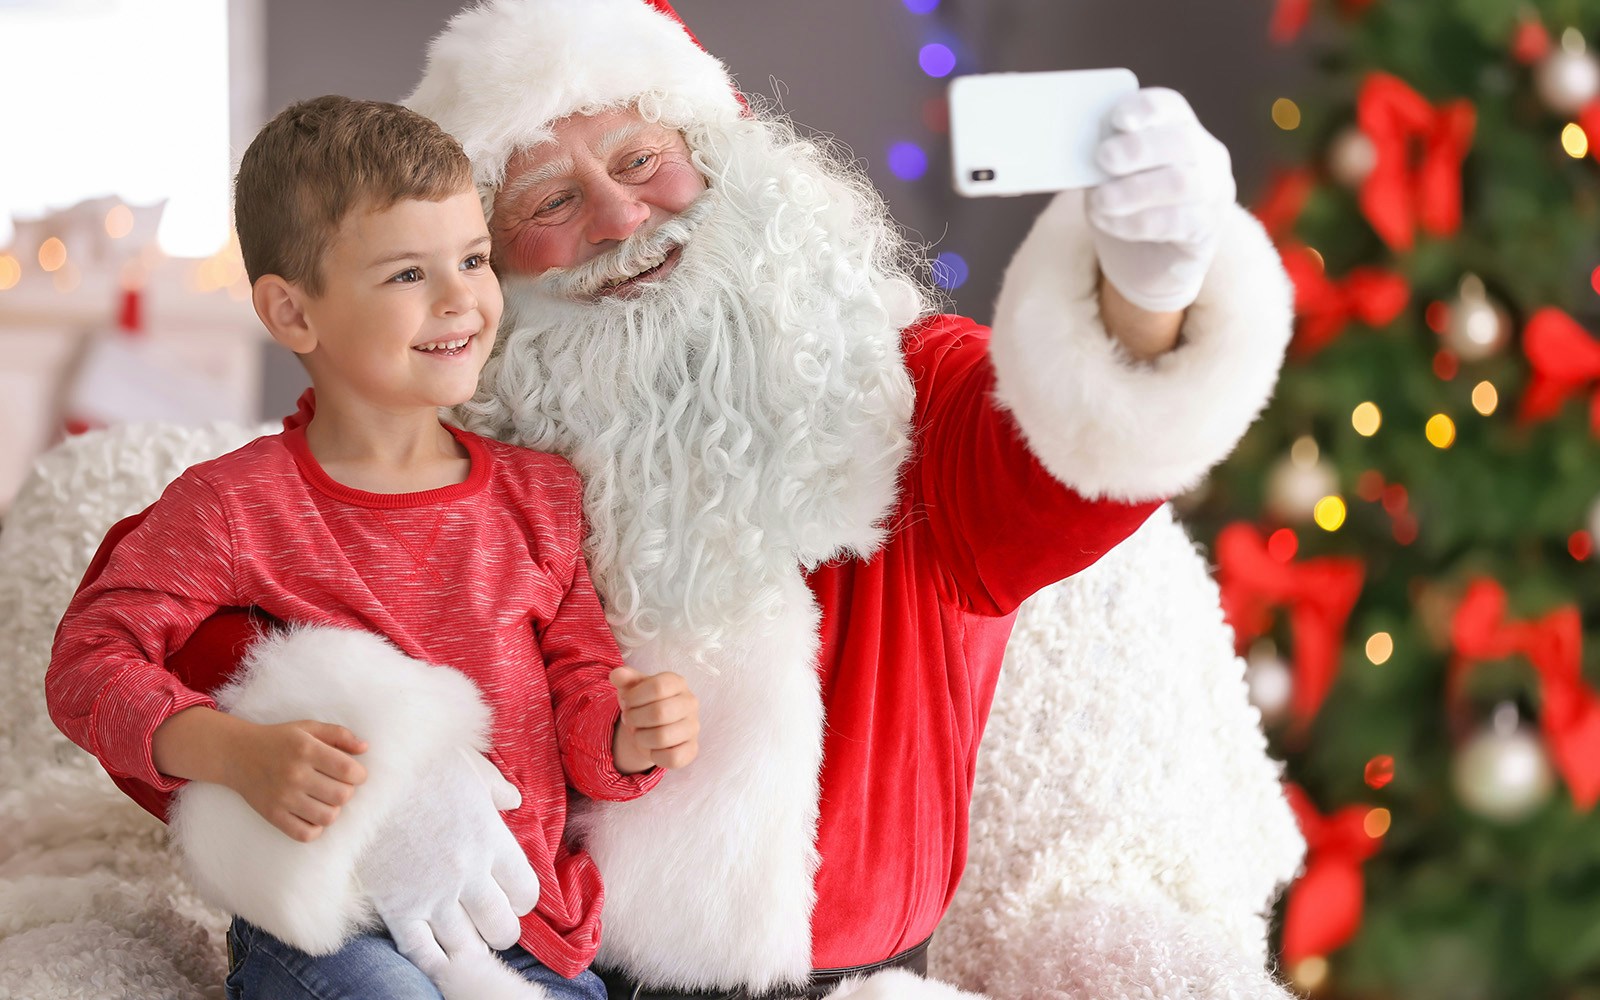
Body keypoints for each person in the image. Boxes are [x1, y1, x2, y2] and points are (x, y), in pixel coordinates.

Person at [46, 1, 1303, 997]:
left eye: (644, 157)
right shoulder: (448, 447)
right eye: (546, 201)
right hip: (521, 959)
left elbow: (1068, 459)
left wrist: (1147, 287)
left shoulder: (907, 391)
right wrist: (383, 769)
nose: (617, 216)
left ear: (726, 162)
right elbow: (201, 614)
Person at [44, 94, 701, 1000]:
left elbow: (581, 697)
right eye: (406, 275)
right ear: (294, 312)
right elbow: (86, 664)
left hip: (525, 929)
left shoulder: (540, 495)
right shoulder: (235, 505)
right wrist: (235, 752)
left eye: (473, 258)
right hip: (335, 926)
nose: (460, 297)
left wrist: (629, 735)